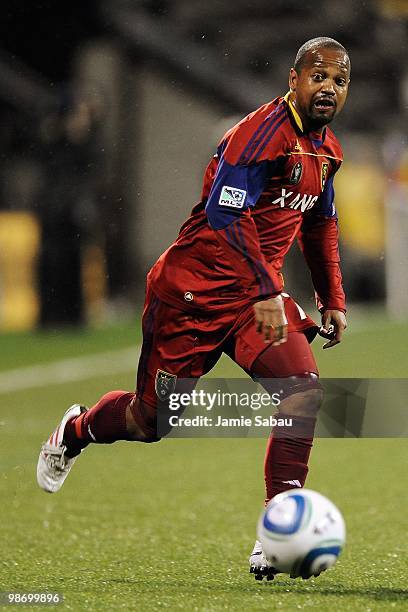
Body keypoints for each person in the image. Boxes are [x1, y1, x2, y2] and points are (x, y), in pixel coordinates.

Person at [37, 37, 350, 580]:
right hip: (192, 296)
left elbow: (320, 225)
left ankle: (277, 531)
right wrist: (268, 291)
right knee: (149, 421)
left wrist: (333, 299)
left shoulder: (327, 152)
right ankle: (76, 431)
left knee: (302, 391)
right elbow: (228, 220)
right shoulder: (257, 138)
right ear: (294, 78)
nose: (328, 88)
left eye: (340, 81)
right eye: (318, 76)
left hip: (254, 302)